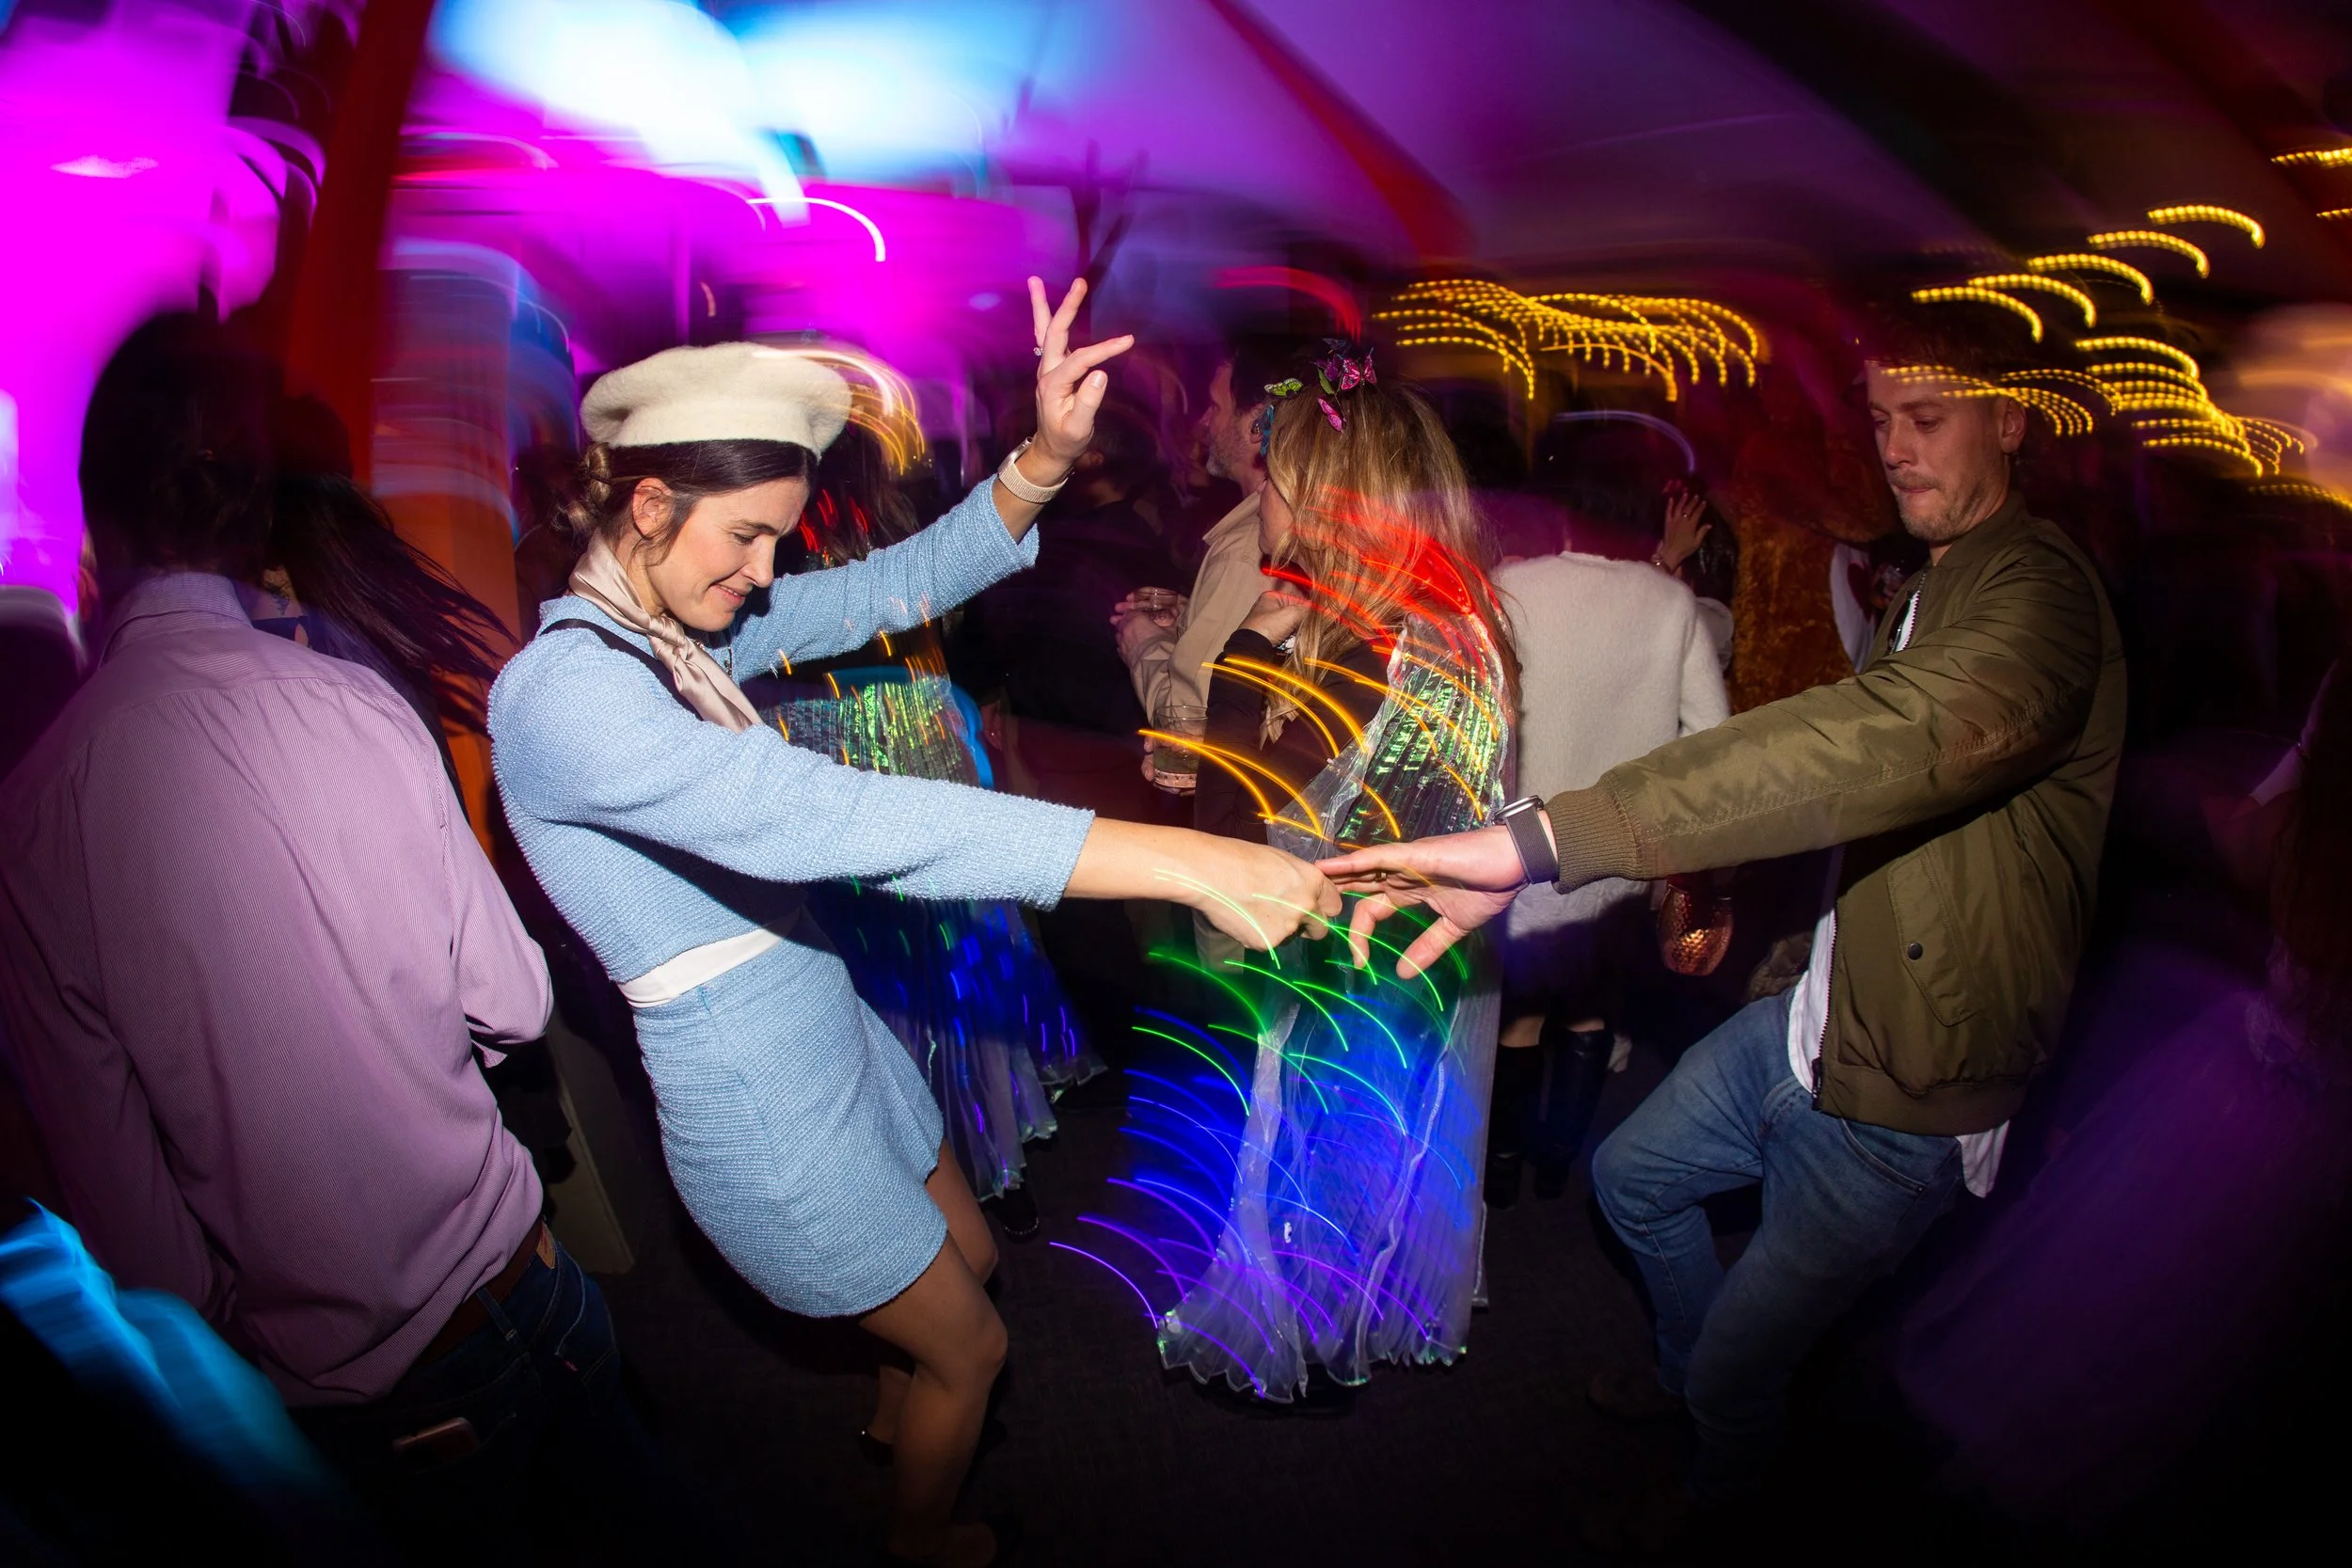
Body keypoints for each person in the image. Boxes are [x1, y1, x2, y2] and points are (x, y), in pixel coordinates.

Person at [486, 278, 1338, 1568]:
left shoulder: (668, 623)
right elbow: (840, 818)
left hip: (830, 1025)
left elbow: (898, 581)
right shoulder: (564, 696)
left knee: (973, 1257)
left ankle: (896, 1419)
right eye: (747, 536)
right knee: (974, 1340)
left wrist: (1043, 457)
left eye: (777, 538)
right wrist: (1186, 860)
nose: (766, 573)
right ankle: (917, 1536)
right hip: (754, 1089)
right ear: (647, 504)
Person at [1320, 319, 2126, 1532]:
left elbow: (1883, 744)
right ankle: (1695, 1381)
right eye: (1880, 420)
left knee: (1747, 1373)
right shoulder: (1936, 576)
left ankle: (1721, 1477)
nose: (1893, 450)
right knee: (1631, 1181)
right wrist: (1801, 951)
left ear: (2010, 420)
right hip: (1812, 1015)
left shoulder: (2044, 596)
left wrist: (1544, 838)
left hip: (1910, 1085)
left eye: (1928, 419)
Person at [0, 313, 686, 1564]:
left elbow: (140, 1240)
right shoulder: (354, 695)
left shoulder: (36, 820)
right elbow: (515, 1003)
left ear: (94, 533)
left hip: (379, 1392)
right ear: (255, 517)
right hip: (539, 1287)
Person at [1117, 346, 1518, 1401]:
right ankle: (1337, 1305)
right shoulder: (1457, 621)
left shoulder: (1365, 647)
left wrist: (1246, 656)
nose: (1263, 512)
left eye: (1278, 491)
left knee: (1306, 1172)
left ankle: (1289, 1329)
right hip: (1403, 962)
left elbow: (1238, 838)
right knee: (1365, 1165)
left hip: (1337, 969)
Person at [1486, 503, 1728, 1206]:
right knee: (1590, 1013)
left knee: (1520, 1017)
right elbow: (1711, 739)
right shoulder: (1672, 603)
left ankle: (1503, 1170)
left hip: (1526, 848)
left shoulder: (1512, 588)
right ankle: (1558, 1165)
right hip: (1621, 853)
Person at [1112, 333, 1315, 793]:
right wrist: (1192, 619)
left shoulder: (1249, 549)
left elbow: (1193, 721)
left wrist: (1142, 645)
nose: (1204, 421)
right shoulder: (1256, 537)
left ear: (1257, 424)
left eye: (1217, 406)